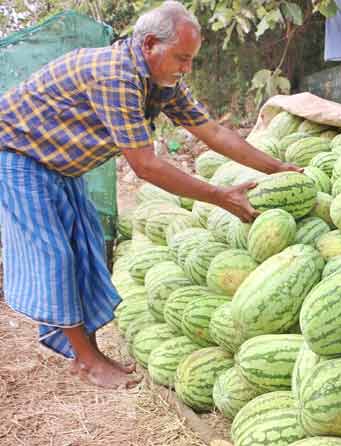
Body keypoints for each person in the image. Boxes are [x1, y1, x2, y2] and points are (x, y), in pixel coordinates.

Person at [0, 2, 299, 389]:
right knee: (54, 253)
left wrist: (278, 169)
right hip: (19, 155)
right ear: (150, 45)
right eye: (182, 58)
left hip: (59, 163)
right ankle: (86, 360)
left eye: (191, 60)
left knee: (86, 246)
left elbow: (214, 133)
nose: (186, 68)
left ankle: (85, 351)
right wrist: (219, 195)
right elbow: (146, 165)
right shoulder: (115, 75)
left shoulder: (161, 82)